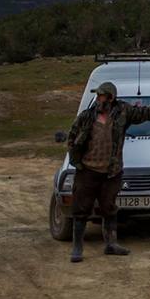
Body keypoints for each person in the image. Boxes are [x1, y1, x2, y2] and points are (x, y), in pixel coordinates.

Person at [59, 81, 127, 261]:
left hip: (110, 173)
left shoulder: (122, 115)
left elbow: (147, 113)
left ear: (110, 98)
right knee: (80, 209)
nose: (98, 99)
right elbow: (72, 137)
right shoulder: (86, 116)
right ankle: (77, 248)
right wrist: (77, 161)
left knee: (109, 208)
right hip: (88, 171)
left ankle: (111, 244)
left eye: (101, 96)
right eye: (97, 96)